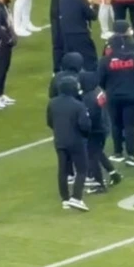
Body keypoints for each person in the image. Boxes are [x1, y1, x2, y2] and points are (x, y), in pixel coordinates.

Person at [97, 20, 134, 167]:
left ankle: (117, 152)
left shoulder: (105, 60)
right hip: (132, 95)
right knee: (130, 126)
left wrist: (109, 88)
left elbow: (99, 79)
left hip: (113, 96)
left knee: (116, 124)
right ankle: (131, 156)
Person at [47, 77, 91, 212]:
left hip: (59, 140)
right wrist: (84, 135)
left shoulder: (52, 103)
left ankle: (65, 199)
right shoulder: (78, 105)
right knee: (82, 169)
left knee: (63, 170)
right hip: (76, 141)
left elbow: (49, 122)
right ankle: (76, 198)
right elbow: (85, 125)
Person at [49, 0, 85, 73]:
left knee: (69, 43)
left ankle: (70, 67)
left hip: (67, 15)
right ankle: (57, 70)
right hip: (59, 16)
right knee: (59, 43)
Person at [58, 0, 98, 71]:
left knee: (71, 60)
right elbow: (93, 16)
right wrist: (95, 4)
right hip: (80, 35)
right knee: (90, 59)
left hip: (66, 35)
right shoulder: (80, 0)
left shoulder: (62, 0)